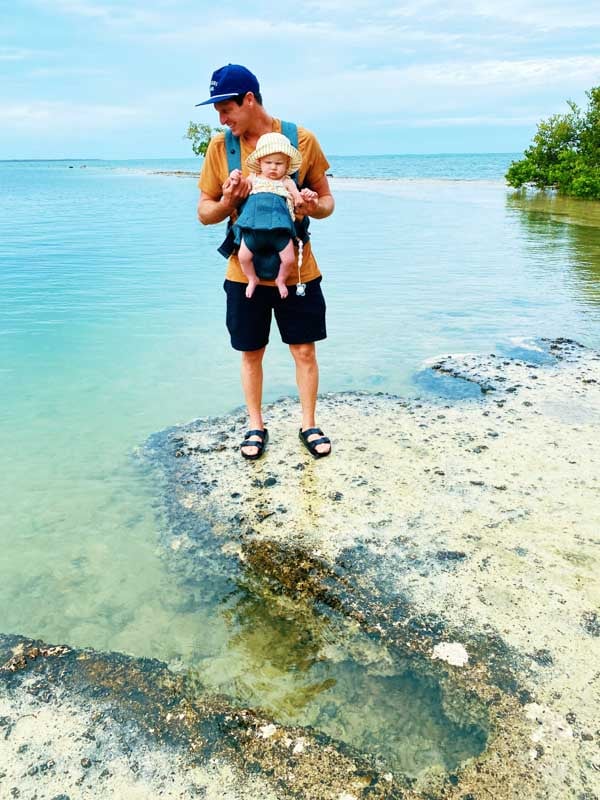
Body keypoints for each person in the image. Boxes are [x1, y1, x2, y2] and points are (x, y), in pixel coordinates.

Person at [196, 63, 334, 461]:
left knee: (304, 350)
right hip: (244, 271)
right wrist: (229, 201)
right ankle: (255, 425)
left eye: (227, 109)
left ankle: (309, 423)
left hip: (299, 266)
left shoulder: (301, 140)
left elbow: (327, 202)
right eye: (218, 112)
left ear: (250, 100)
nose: (222, 119)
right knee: (250, 351)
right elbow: (204, 212)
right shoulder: (221, 148)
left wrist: (311, 205)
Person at [232, 132, 318, 300]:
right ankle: (252, 278)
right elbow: (242, 187)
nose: (273, 167)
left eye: (279, 163)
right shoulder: (254, 178)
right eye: (268, 162)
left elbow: (296, 196)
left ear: (287, 165)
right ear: (259, 162)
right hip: (253, 230)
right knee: (243, 256)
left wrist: (303, 198)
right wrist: (235, 179)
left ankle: (281, 279)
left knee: (289, 260)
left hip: (280, 230)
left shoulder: (286, 181)